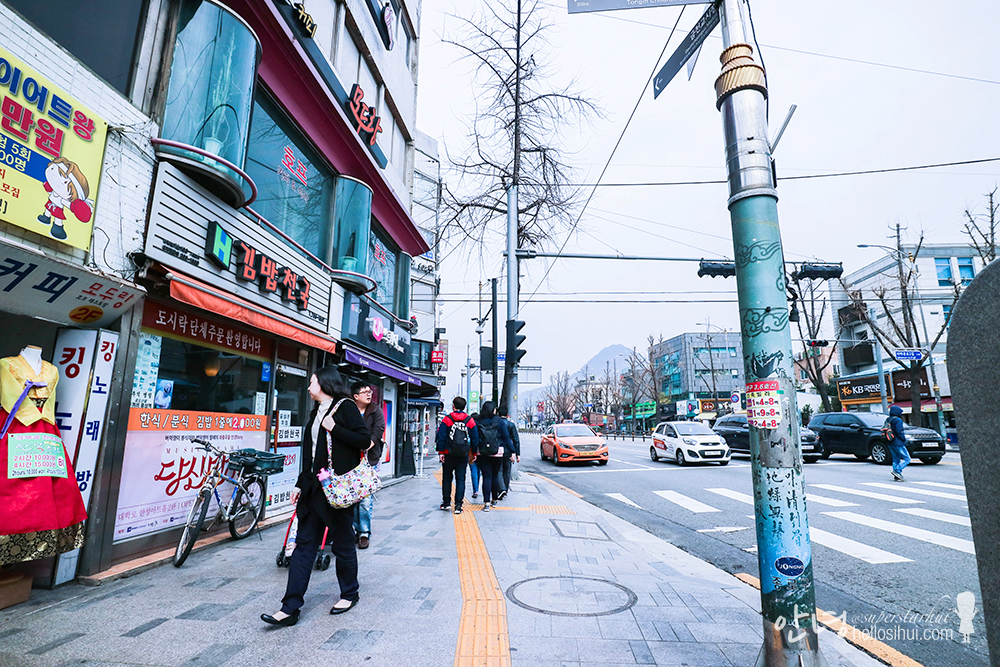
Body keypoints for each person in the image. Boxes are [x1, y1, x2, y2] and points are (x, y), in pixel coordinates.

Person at [262, 367, 371, 627]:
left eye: (312, 382)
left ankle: (349, 593)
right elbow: (311, 455)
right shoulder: (315, 412)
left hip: (336, 491)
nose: (309, 386)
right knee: (303, 546)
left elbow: (364, 440)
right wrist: (300, 484)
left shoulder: (344, 407)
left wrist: (334, 429)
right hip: (313, 490)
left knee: (343, 544)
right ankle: (290, 608)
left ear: (324, 383)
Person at [351, 381, 385, 549]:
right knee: (351, 498)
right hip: (350, 461)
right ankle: (352, 530)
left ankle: (364, 532)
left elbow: (379, 430)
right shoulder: (349, 410)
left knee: (365, 498)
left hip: (370, 460)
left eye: (369, 391)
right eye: (364, 391)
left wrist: (368, 444)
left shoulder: (375, 410)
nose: (369, 393)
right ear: (355, 396)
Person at [436, 397, 478, 514]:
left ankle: (446, 503)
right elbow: (475, 438)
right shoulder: (470, 420)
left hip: (448, 454)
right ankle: (458, 505)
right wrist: (473, 453)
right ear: (464, 407)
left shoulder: (447, 419)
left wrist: (441, 452)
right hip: (463, 454)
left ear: (453, 406)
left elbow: (441, 437)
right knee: (460, 479)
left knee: (447, 478)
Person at [476, 401, 512, 512]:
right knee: (495, 475)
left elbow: (475, 438)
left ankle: (486, 503)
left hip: (482, 452)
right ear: (493, 410)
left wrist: (473, 451)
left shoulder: (478, 421)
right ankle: (494, 500)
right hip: (497, 452)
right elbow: (506, 438)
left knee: (486, 476)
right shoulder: (499, 422)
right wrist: (513, 451)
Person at [497, 406, 520, 501]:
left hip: (498, 450)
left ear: (498, 414)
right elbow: (516, 440)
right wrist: (517, 453)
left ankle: (500, 489)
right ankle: (505, 490)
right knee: (507, 471)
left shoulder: (496, 424)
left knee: (499, 470)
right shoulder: (511, 425)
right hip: (508, 451)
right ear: (507, 414)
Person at [886, 405, 910, 482]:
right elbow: (899, 431)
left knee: (895, 459)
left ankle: (897, 476)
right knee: (907, 458)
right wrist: (903, 439)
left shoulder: (888, 419)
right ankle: (897, 471)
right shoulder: (898, 420)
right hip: (898, 442)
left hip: (890, 441)